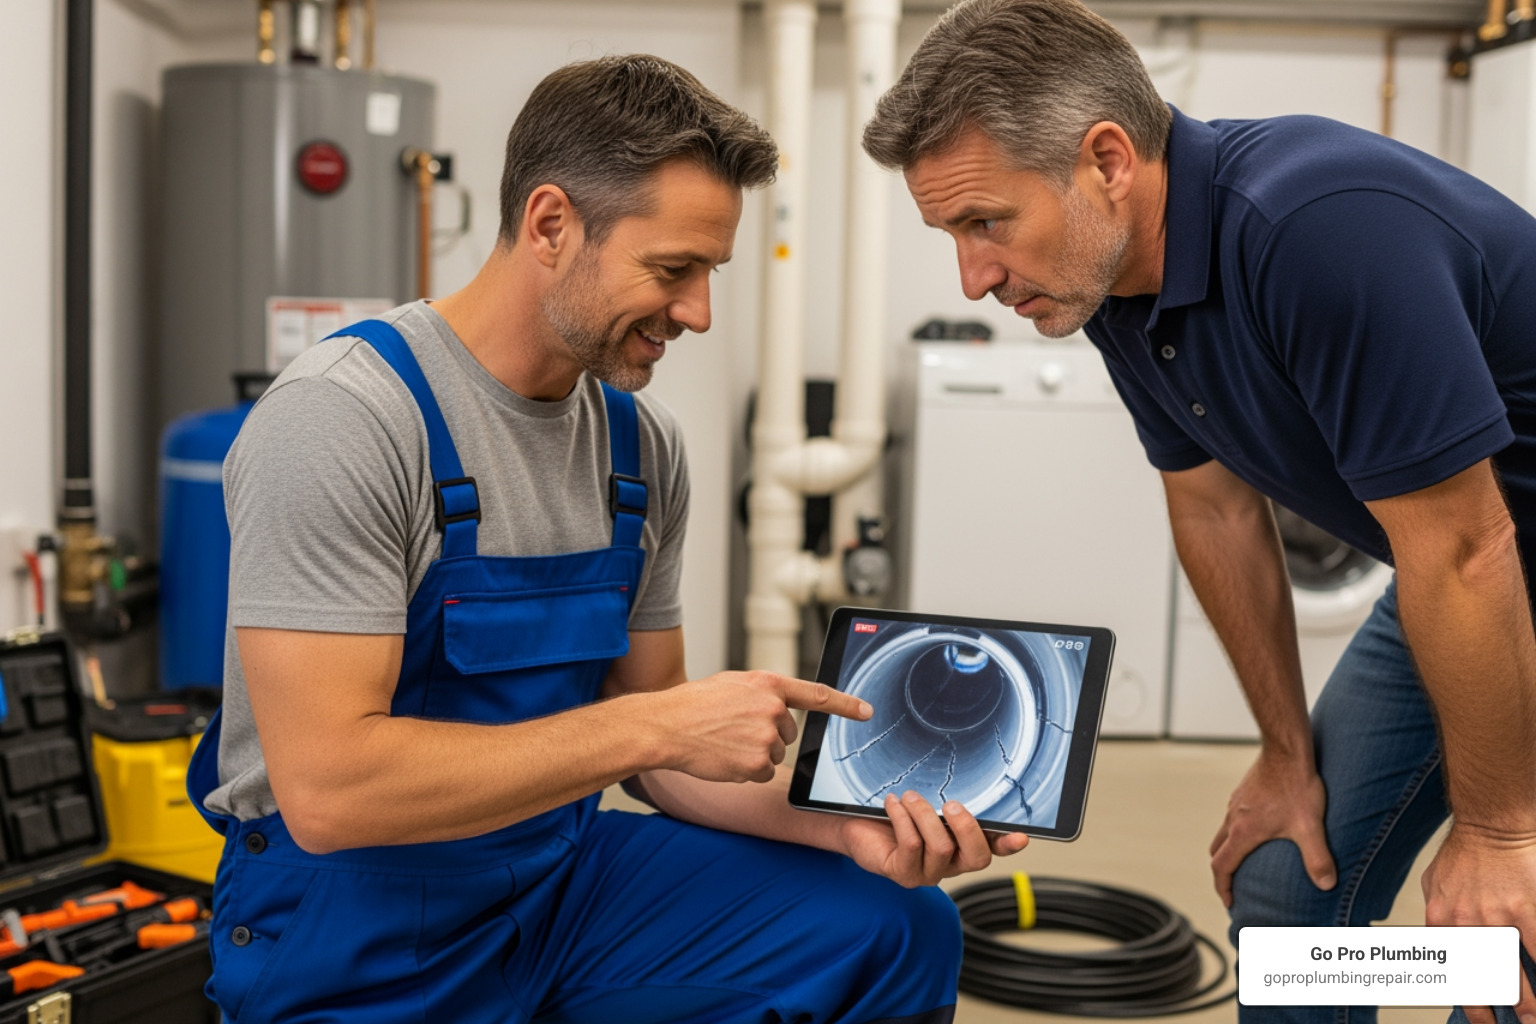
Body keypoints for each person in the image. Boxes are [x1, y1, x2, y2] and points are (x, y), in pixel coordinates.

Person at [187, 55, 1026, 1024]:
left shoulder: (640, 447)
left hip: (557, 881)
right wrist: (657, 724)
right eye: (673, 270)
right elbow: (333, 791)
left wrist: (846, 830)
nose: (698, 312)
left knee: (897, 925)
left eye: (710, 273)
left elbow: (660, 757)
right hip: (348, 926)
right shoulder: (346, 420)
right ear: (551, 224)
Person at [862, 2, 1536, 1023]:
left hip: (1473, 564)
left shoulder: (1317, 232)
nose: (975, 276)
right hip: (1462, 573)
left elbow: (1466, 548)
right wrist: (1285, 754)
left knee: (1508, 952)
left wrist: (1498, 832)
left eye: (987, 222)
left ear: (1108, 160)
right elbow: (1215, 509)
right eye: (952, 233)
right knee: (1284, 890)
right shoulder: (1116, 286)